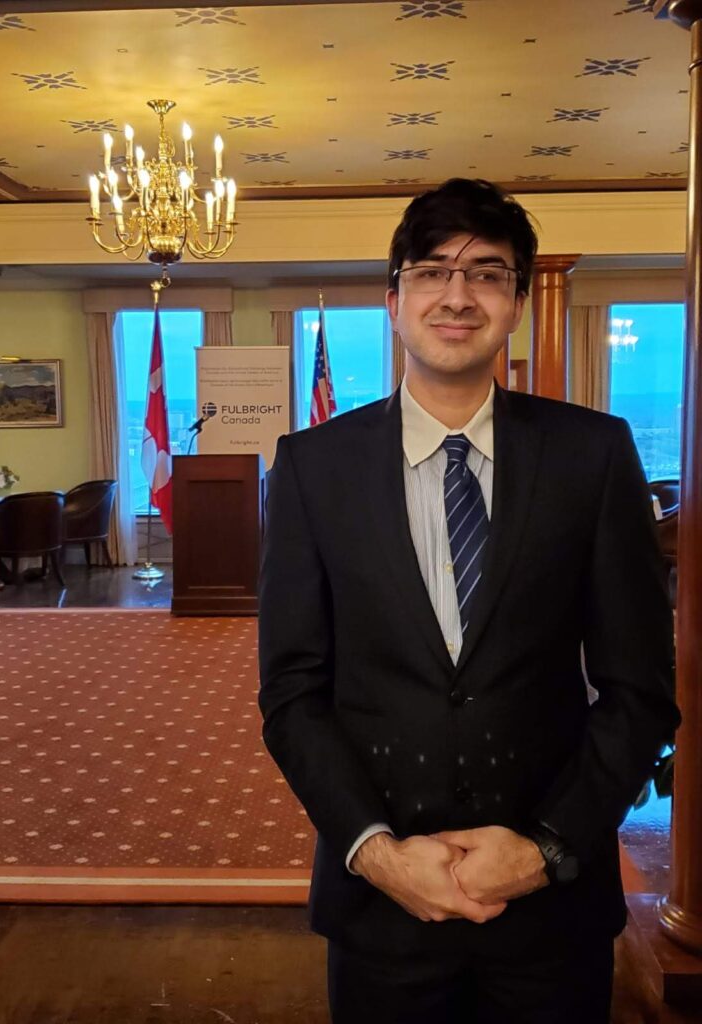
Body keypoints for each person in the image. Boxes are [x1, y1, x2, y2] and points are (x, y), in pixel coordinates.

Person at [258, 178, 679, 1024]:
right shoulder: (311, 467)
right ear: (394, 299)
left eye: (487, 273)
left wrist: (546, 848)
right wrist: (375, 854)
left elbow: (639, 692)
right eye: (431, 271)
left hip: (549, 908)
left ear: (517, 301)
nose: (457, 294)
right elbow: (293, 695)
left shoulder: (592, 456)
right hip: (383, 907)